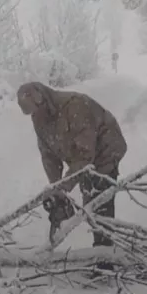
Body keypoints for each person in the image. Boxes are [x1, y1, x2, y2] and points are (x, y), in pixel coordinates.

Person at [16, 81, 128, 252]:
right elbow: (49, 157)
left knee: (97, 199)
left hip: (106, 149)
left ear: (43, 99)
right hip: (81, 155)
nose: (35, 115)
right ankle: (100, 246)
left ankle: (104, 254)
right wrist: (56, 188)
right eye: (30, 112)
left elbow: (85, 155)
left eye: (36, 109)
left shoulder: (74, 106)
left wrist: (65, 186)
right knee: (87, 193)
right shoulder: (39, 118)